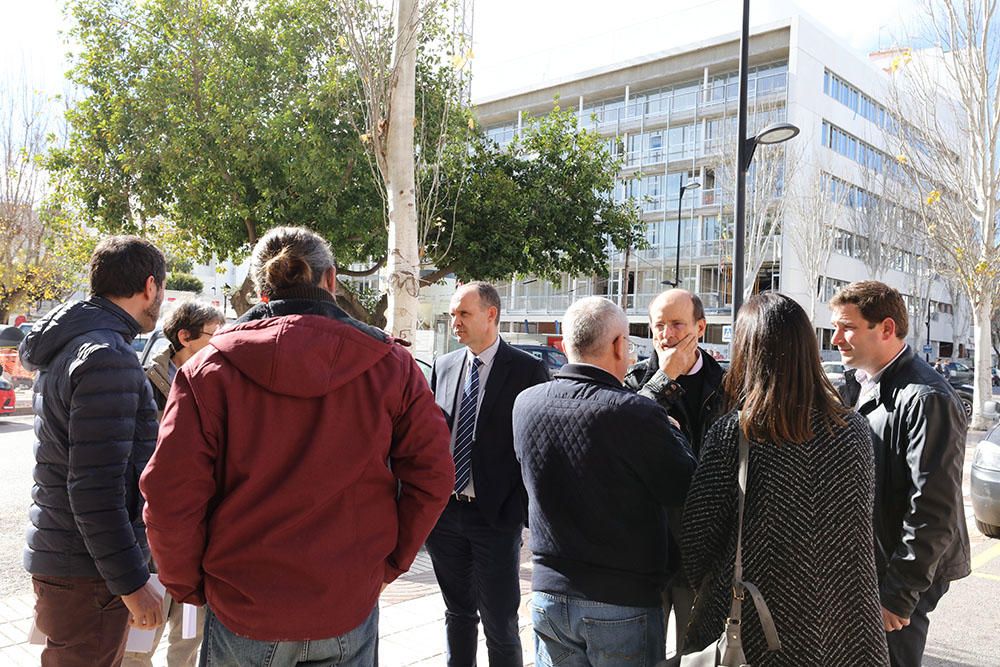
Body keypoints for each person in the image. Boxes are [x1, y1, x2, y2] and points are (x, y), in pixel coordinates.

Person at [140, 226, 455, 666]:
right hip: (344, 599)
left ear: (261, 287)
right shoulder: (391, 365)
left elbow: (171, 496)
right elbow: (435, 476)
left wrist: (188, 584)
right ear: (330, 281)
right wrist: (389, 565)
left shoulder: (208, 369)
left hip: (245, 602)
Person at [681, 292, 889, 665]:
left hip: (754, 628)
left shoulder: (736, 433)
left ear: (748, 352)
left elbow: (697, 540)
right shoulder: (853, 429)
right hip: (844, 624)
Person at [513, 296, 696, 666]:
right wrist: (671, 433)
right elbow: (686, 488)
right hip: (621, 600)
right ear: (617, 345)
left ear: (565, 347)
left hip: (549, 593)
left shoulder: (525, 404)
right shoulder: (636, 413)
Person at [18, 236, 167, 666]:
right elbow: (96, 490)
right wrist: (131, 584)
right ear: (150, 286)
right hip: (87, 573)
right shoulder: (107, 356)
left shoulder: (76, 344)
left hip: (71, 561)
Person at [830, 281, 970, 667]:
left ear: (887, 329)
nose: (836, 338)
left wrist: (898, 595)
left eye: (848, 327)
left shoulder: (926, 398)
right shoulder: (862, 385)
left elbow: (932, 509)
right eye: (836, 327)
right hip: (874, 569)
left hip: (899, 577)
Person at [426, 281, 549, 666]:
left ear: (490, 314)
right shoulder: (444, 366)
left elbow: (536, 446)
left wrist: (517, 508)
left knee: (500, 622)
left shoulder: (527, 370)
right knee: (457, 614)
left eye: (463, 313)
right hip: (445, 516)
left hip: (494, 518)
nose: (455, 322)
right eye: (452, 314)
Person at [123, 301, 225, 667]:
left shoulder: (217, 383)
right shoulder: (143, 384)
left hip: (201, 545)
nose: (222, 342)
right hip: (151, 541)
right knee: (138, 644)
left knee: (188, 641)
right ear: (185, 336)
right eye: (215, 334)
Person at [623, 288, 725, 642]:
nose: (666, 336)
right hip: (647, 546)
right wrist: (662, 380)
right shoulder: (636, 382)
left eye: (677, 325)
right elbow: (619, 433)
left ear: (700, 327)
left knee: (695, 650)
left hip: (703, 549)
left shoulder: (728, 383)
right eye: (658, 326)